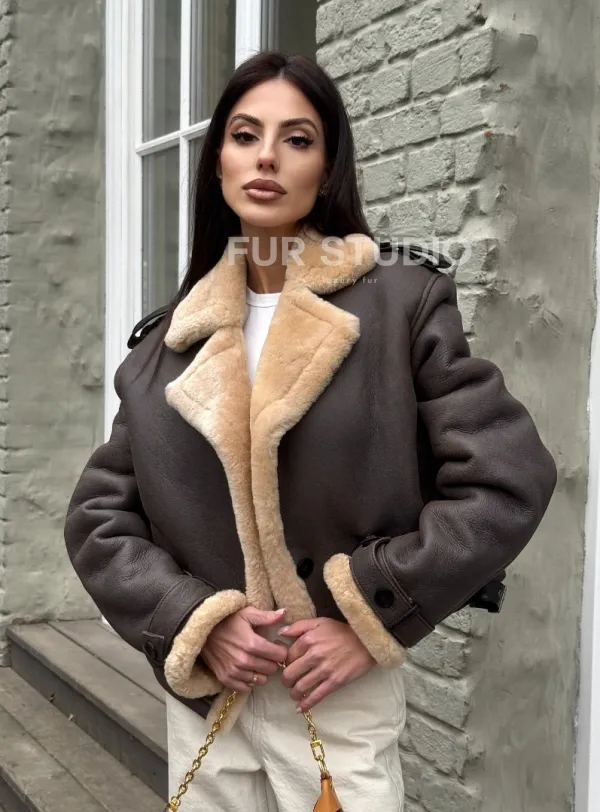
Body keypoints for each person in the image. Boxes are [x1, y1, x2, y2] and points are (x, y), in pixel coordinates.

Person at [63, 51, 557, 812]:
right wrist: (194, 619)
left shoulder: (401, 303)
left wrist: (373, 612)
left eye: (297, 139)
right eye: (244, 135)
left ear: (326, 170)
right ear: (219, 163)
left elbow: (505, 478)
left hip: (336, 696)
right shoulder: (167, 345)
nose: (266, 157)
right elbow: (98, 520)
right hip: (209, 702)